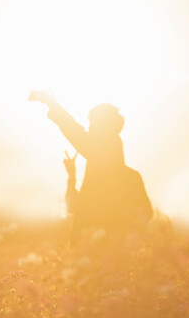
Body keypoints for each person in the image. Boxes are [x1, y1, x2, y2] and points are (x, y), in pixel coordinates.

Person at [29, 92, 152, 243]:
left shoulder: (100, 154)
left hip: (98, 256)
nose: (89, 128)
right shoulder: (131, 177)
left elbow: (73, 130)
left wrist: (53, 104)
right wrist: (72, 177)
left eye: (93, 124)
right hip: (106, 256)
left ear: (105, 129)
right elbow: (146, 215)